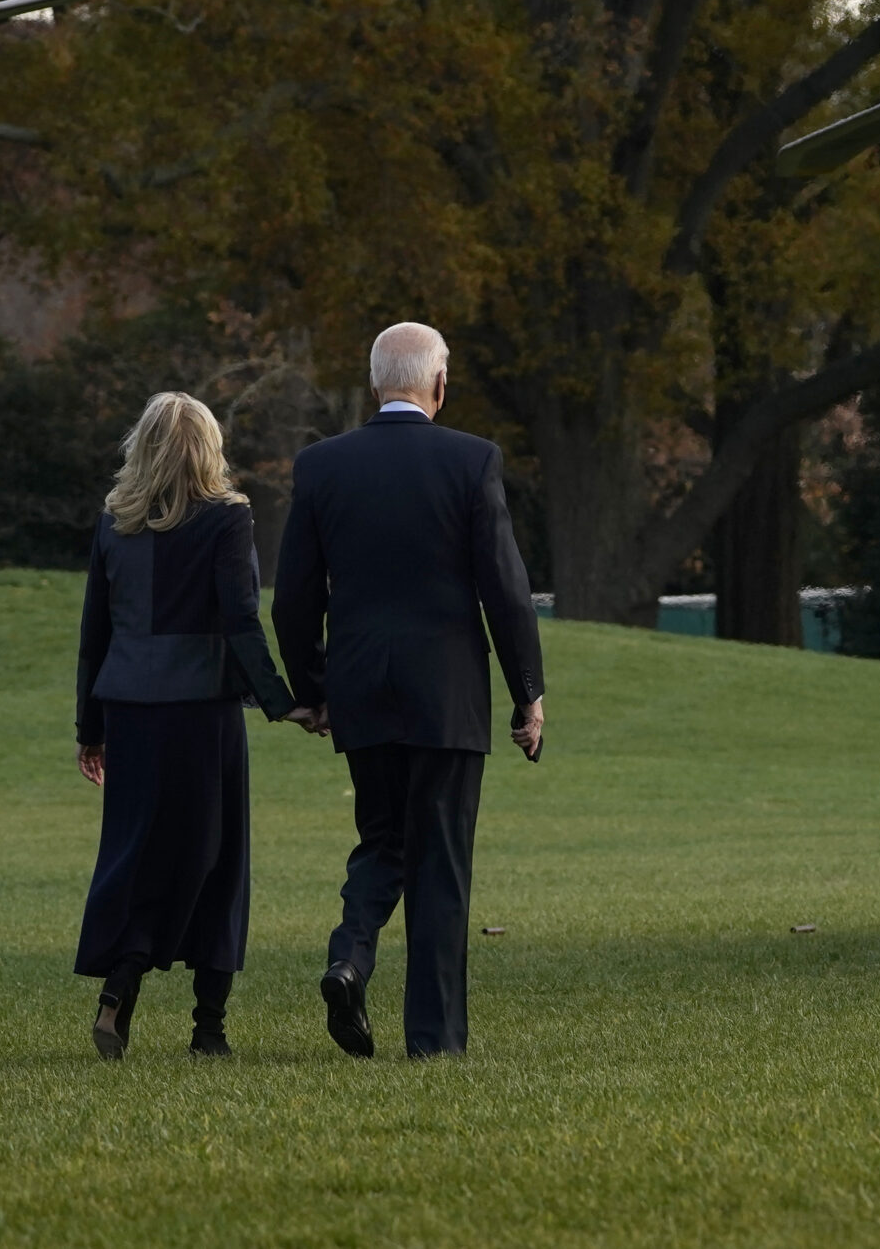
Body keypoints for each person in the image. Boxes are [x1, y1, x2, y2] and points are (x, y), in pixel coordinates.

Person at [274, 322, 545, 1059]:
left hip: (363, 689)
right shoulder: (471, 460)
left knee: (383, 839)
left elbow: (293, 599)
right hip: (448, 694)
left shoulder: (323, 466)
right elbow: (508, 593)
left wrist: (316, 687)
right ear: (439, 384)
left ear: (373, 386)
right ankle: (432, 1039)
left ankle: (349, 957)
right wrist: (529, 693)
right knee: (441, 864)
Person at [74, 391, 319, 1061]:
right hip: (202, 713)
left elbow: (95, 633)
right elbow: (240, 620)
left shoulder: (113, 521)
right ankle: (208, 1027)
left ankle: (121, 980)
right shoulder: (226, 519)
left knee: (138, 854)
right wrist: (284, 702)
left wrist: (88, 727)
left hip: (127, 710)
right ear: (207, 447)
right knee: (217, 862)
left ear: (143, 444)